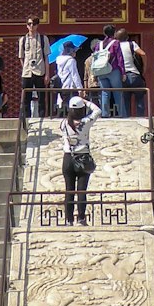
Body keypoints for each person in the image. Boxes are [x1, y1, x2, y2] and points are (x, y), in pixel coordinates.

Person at [60, 96, 101, 224]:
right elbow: (97, 111)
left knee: (69, 190)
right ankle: (81, 218)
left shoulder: (64, 123)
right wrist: (87, 102)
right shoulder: (85, 122)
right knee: (81, 190)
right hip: (82, 157)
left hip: (67, 158)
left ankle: (68, 219)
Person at [17, 17, 51, 118]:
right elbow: (21, 57)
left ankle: (41, 118)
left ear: (37, 25)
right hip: (27, 72)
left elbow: (46, 57)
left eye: (34, 23)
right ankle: (26, 119)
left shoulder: (43, 39)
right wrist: (24, 68)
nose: (32, 26)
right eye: (30, 24)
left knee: (41, 97)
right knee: (26, 98)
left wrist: (47, 74)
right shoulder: (22, 40)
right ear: (27, 25)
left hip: (40, 70)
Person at [92, 23, 126, 118]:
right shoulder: (116, 43)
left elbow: (95, 58)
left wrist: (94, 74)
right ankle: (121, 114)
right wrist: (123, 72)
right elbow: (120, 58)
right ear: (114, 33)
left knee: (105, 92)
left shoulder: (99, 44)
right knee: (117, 92)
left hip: (101, 70)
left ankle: (105, 114)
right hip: (113, 70)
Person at [115, 28, 146, 117]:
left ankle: (127, 119)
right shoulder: (132, 44)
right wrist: (144, 67)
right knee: (139, 100)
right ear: (127, 37)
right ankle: (141, 119)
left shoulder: (115, 46)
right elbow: (143, 54)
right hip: (134, 74)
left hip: (122, 77)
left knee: (125, 101)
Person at [54, 41, 83, 111]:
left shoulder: (59, 61)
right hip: (71, 87)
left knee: (65, 106)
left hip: (63, 86)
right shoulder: (71, 61)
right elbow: (74, 75)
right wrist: (80, 89)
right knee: (73, 108)